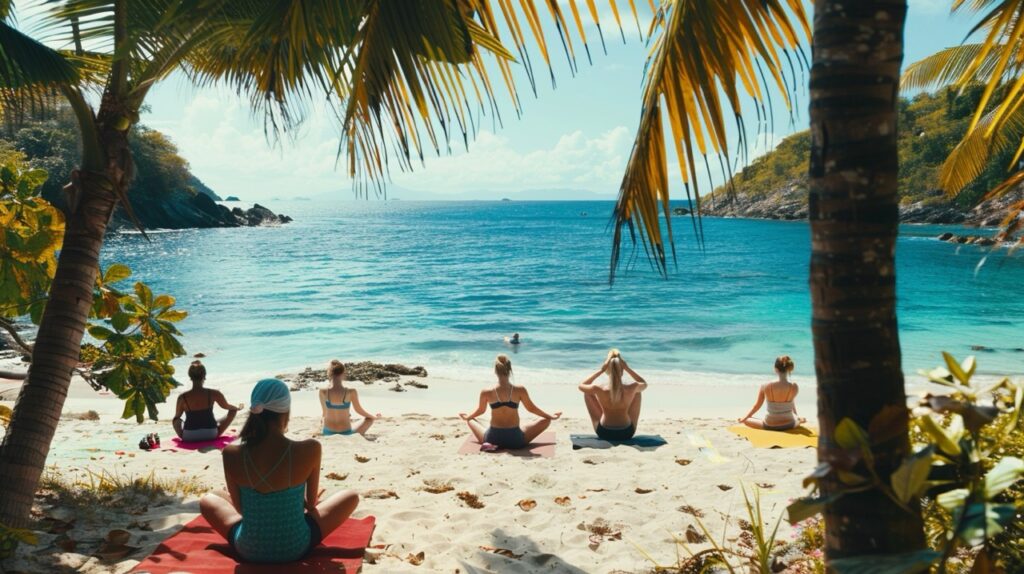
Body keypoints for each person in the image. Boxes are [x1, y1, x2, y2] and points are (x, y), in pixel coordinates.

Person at [200, 378, 360, 564]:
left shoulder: (231, 453)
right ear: (286, 411)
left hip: (248, 549)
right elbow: (311, 505)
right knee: (351, 496)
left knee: (207, 499)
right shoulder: (310, 448)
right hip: (296, 547)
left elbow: (240, 509)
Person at [460, 354, 560, 449]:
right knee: (546, 420)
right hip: (516, 440)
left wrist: (467, 417)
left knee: (471, 420)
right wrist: (551, 416)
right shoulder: (520, 390)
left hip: (492, 439)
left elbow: (481, 411)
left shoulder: (486, 392)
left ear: (495, 371)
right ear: (510, 370)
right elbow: (531, 409)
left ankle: (488, 444)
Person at [579, 349, 647, 441]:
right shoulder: (632, 387)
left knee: (588, 393)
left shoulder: (599, 388)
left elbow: (581, 386)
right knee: (637, 392)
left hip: (604, 433)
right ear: (622, 369)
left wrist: (601, 370)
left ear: (607, 370)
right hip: (627, 433)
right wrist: (627, 368)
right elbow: (643, 383)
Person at [172, 360, 242, 442]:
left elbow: (177, 417)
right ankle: (213, 424)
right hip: (211, 434)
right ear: (204, 376)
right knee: (232, 411)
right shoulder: (214, 393)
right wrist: (237, 408)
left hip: (189, 435)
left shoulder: (182, 397)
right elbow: (227, 406)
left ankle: (183, 435)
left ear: (190, 377)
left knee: (176, 420)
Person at [738, 355, 806, 431]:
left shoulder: (765, 385)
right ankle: (800, 420)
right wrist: (796, 416)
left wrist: (745, 417)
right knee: (801, 419)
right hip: (789, 424)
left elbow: (756, 406)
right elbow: (791, 403)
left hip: (769, 425)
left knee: (746, 420)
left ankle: (745, 419)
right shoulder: (794, 386)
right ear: (789, 369)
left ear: (775, 369)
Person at [319, 360, 380, 436]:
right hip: (346, 432)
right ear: (343, 374)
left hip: (328, 432)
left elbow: (324, 414)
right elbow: (359, 410)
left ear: (329, 373)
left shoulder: (323, 392)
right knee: (369, 419)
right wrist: (373, 417)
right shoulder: (351, 392)